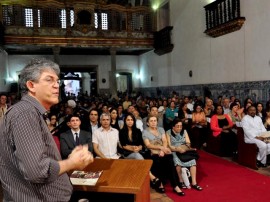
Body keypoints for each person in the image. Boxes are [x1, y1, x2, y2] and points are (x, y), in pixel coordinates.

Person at [0, 58, 93, 201]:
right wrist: (71, 163)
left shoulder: (31, 112)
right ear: (31, 85)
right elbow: (37, 171)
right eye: (49, 80)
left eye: (57, 81)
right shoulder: (25, 113)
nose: (56, 86)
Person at [142, 115, 184, 196]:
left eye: (155, 120)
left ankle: (175, 186)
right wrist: (160, 148)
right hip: (152, 152)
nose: (153, 122)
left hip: (163, 150)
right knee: (157, 159)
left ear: (157, 122)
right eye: (151, 121)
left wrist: (162, 150)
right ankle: (160, 183)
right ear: (147, 123)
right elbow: (148, 145)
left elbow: (164, 141)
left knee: (169, 158)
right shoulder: (145, 132)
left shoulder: (161, 129)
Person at [166, 119, 203, 191]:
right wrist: (178, 149)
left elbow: (188, 143)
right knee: (177, 162)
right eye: (177, 126)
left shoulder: (184, 131)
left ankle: (194, 182)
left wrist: (184, 148)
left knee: (193, 162)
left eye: (181, 126)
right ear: (173, 127)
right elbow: (169, 146)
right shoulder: (168, 132)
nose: (179, 128)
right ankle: (181, 181)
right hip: (174, 150)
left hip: (184, 149)